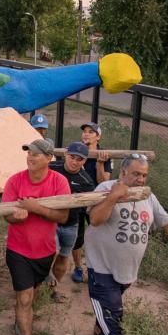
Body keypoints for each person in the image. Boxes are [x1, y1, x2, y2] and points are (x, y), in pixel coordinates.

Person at [85, 153, 168, 335]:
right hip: (102, 268)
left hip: (128, 271)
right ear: (123, 172)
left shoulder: (147, 196)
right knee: (115, 320)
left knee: (112, 307)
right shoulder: (105, 189)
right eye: (136, 174)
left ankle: (100, 327)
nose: (141, 179)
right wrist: (113, 197)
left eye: (144, 175)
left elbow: (166, 222)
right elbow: (95, 220)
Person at [2, 139, 70, 335]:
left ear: (49, 158)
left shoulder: (59, 182)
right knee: (25, 297)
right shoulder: (15, 181)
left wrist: (34, 208)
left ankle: (20, 320)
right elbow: (7, 215)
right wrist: (15, 218)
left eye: (37, 154)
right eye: (29, 152)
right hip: (18, 249)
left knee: (33, 294)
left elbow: (63, 217)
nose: (31, 157)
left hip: (45, 251)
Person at [48, 142, 95, 299]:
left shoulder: (86, 181)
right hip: (49, 222)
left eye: (79, 159)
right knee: (49, 254)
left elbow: (90, 208)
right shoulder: (51, 167)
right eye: (72, 157)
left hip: (71, 225)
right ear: (66, 154)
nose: (74, 162)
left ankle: (53, 291)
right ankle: (35, 285)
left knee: (63, 257)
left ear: (85, 161)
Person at [73, 121, 113, 283]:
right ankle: (78, 267)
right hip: (77, 198)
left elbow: (103, 182)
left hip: (96, 201)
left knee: (98, 235)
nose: (86, 134)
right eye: (84, 131)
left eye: (91, 132)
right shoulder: (77, 150)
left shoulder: (105, 154)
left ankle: (98, 270)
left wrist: (99, 164)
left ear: (98, 136)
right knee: (77, 235)